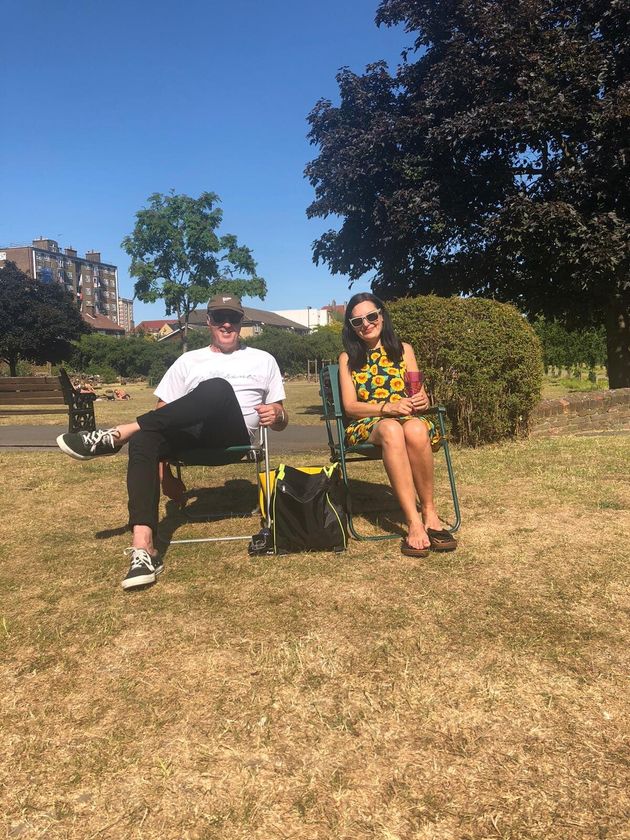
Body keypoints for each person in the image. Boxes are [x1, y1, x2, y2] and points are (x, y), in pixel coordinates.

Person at [56, 294, 288, 590]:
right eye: (219, 318)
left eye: (234, 318)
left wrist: (277, 415)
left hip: (234, 437)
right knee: (144, 438)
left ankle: (118, 434)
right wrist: (164, 477)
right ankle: (144, 549)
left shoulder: (263, 359)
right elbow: (162, 416)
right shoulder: (188, 360)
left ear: (243, 322)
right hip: (189, 439)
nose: (227, 324)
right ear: (208, 322)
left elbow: (282, 420)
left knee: (216, 388)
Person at [339, 292, 457, 557]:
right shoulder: (347, 359)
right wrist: (386, 408)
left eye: (371, 316)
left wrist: (422, 399)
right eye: (357, 321)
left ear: (382, 315)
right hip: (368, 423)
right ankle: (413, 521)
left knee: (415, 428)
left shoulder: (404, 350)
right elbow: (350, 407)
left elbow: (418, 393)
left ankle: (430, 512)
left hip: (407, 418)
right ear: (351, 327)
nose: (366, 324)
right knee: (392, 429)